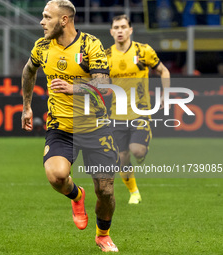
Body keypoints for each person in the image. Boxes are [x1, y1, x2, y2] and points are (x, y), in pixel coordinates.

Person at [21, 0, 120, 252]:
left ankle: (102, 235)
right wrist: (27, 106)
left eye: (46, 17)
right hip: (61, 128)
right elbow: (28, 71)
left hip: (96, 128)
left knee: (106, 191)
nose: (41, 22)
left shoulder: (90, 45)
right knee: (57, 177)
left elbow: (104, 85)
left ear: (64, 20)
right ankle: (77, 196)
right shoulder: (42, 46)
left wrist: (73, 87)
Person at [105, 15, 170, 204]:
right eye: (116, 27)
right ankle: (134, 192)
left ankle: (142, 147)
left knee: (137, 151)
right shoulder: (106, 56)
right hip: (116, 114)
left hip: (140, 111)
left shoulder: (143, 51)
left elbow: (164, 71)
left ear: (130, 30)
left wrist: (166, 94)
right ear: (111, 31)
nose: (119, 30)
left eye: (123, 27)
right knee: (121, 158)